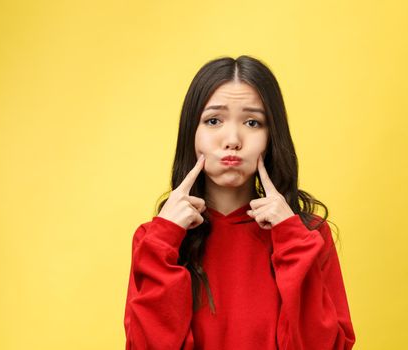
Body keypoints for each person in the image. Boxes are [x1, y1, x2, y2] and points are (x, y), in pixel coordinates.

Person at [123, 55, 356, 349]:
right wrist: (163, 238)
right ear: (191, 135)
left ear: (271, 137)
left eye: (252, 122)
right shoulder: (155, 240)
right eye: (213, 120)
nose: (232, 139)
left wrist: (292, 238)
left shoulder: (307, 236)